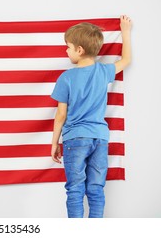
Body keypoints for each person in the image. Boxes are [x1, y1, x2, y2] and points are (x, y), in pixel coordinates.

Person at [50, 15, 132, 218]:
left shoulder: (66, 77)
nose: (66, 51)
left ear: (79, 50)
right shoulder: (103, 71)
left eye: (68, 47)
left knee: (75, 189)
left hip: (75, 138)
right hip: (100, 138)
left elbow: (61, 114)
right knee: (96, 189)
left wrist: (54, 143)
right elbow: (126, 60)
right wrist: (126, 31)